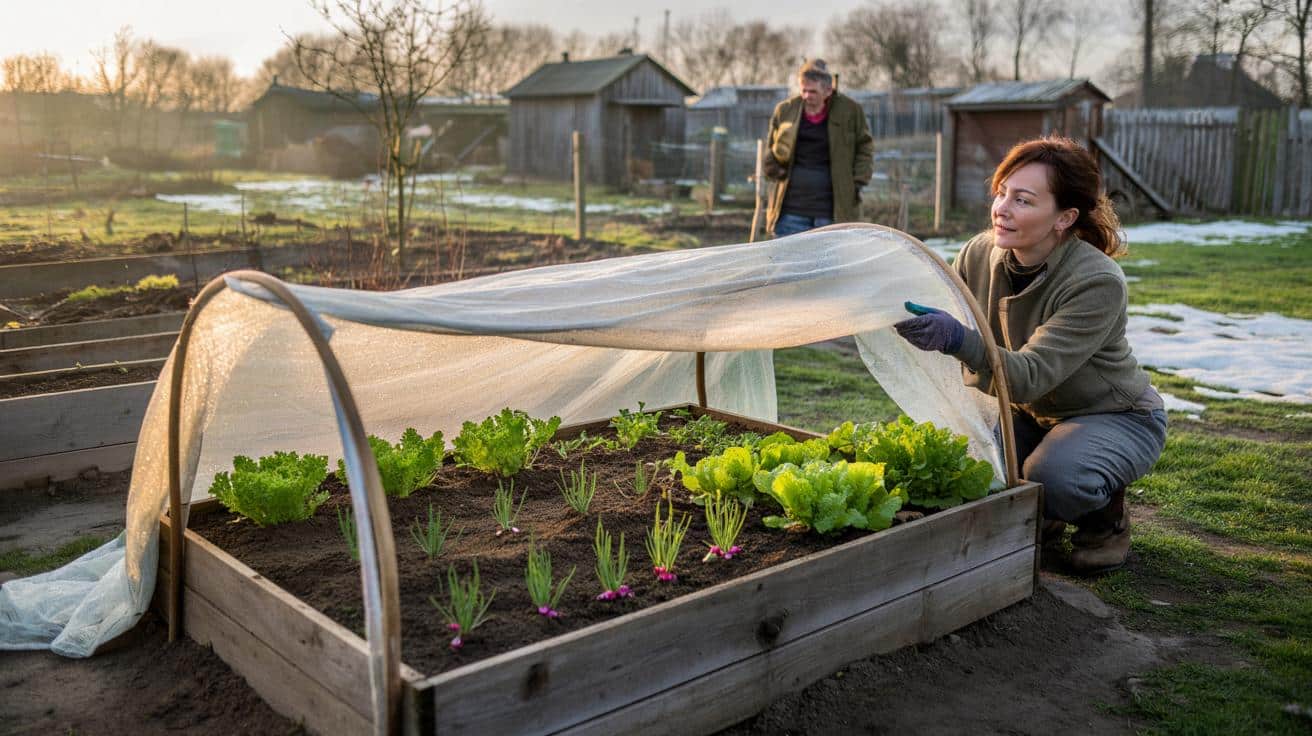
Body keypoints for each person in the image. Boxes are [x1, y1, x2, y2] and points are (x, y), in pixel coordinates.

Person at [893, 136, 1167, 575]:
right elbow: (954, 317)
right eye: (1001, 192)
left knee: (1054, 477)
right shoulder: (980, 253)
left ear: (1065, 218)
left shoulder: (1097, 281)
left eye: (1022, 200)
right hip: (1030, 413)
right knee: (960, 460)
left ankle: (1105, 519)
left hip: (1112, 415)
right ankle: (1045, 505)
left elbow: (1032, 375)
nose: (1001, 208)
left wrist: (956, 339)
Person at [763, 59, 874, 237]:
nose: (807, 96)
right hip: (790, 212)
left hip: (832, 213)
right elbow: (770, 148)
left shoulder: (850, 111)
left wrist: (858, 181)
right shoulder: (785, 110)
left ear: (828, 91)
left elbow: (865, 146)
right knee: (790, 264)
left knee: (831, 264)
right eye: (803, 90)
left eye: (812, 91)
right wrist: (773, 169)